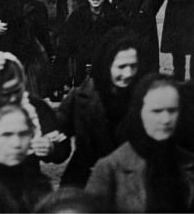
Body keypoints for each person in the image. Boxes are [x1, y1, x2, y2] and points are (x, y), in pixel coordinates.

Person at [85, 74, 194, 212]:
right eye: (156, 111)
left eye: (172, 110)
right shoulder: (110, 169)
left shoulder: (192, 164)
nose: (166, 119)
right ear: (139, 112)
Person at [56, 28, 142, 187]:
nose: (129, 73)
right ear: (107, 65)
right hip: (86, 179)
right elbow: (58, 138)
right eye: (122, 67)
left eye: (133, 66)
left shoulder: (145, 98)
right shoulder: (81, 96)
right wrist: (50, 144)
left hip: (129, 182)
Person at [57, 0, 128, 89]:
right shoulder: (77, 17)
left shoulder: (116, 18)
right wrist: (59, 80)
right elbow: (65, 47)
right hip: (82, 69)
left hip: (107, 69)